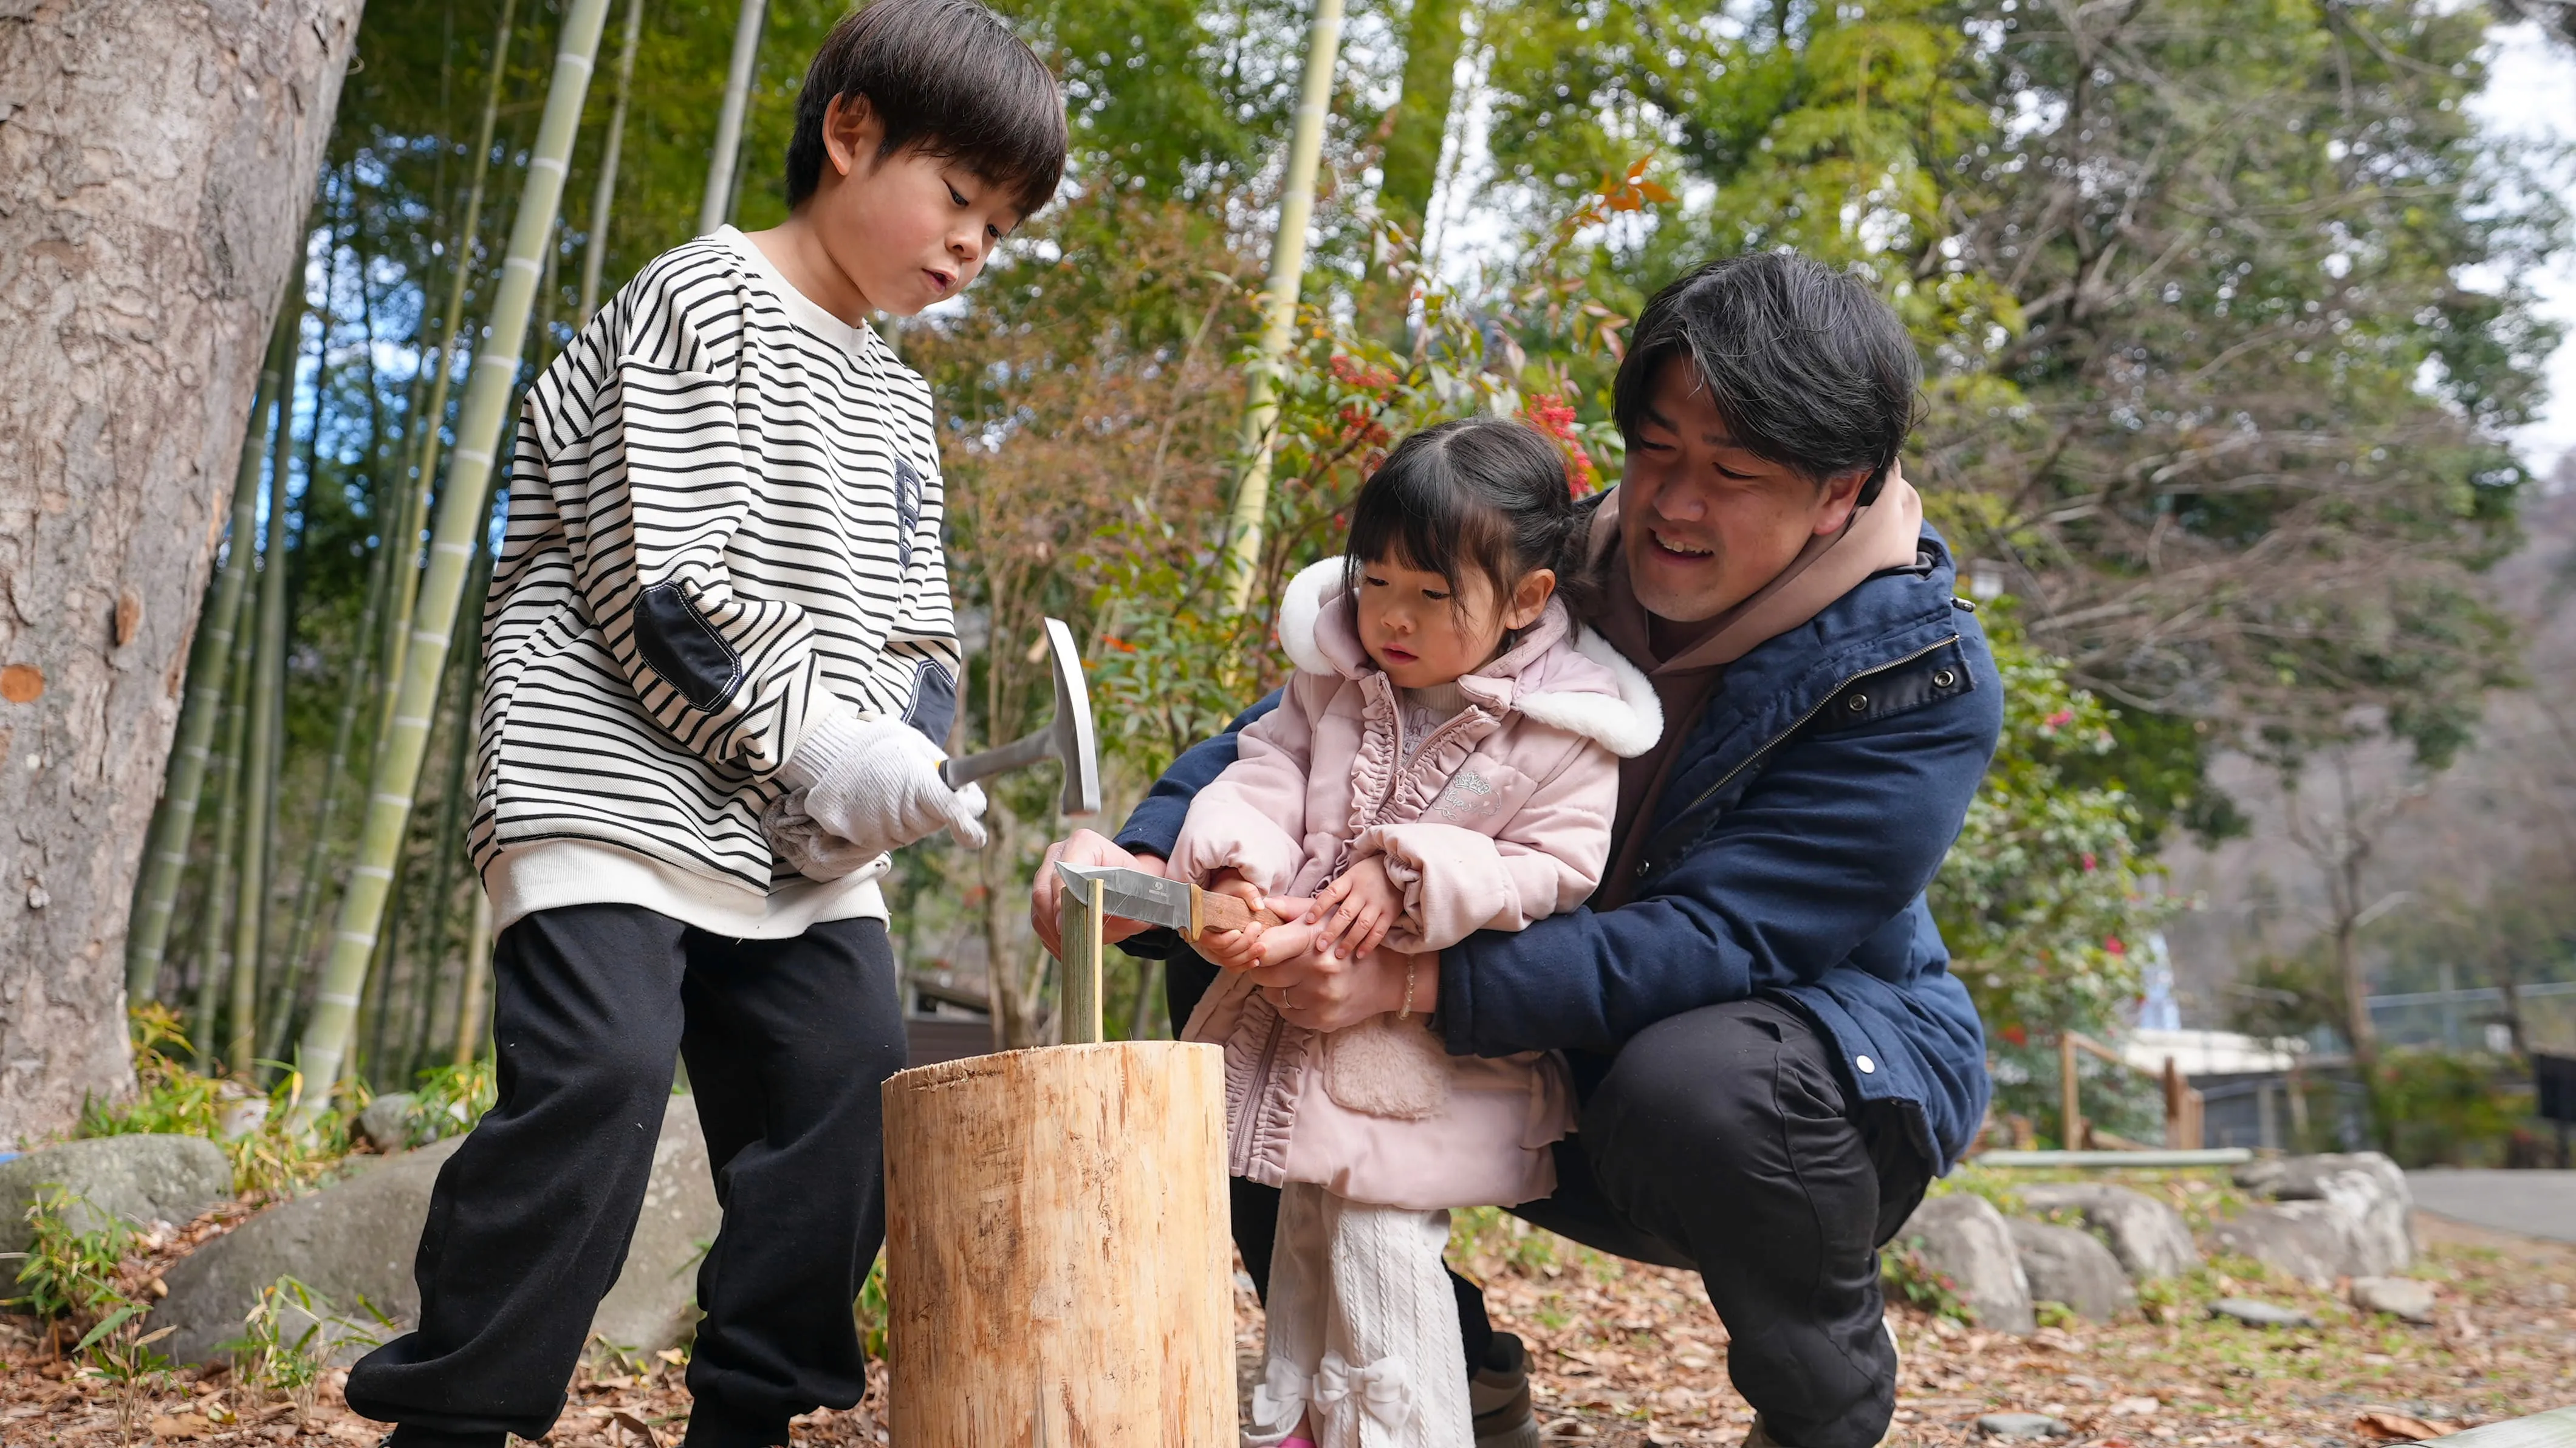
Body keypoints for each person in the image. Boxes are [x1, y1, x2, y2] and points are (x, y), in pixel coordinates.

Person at [1036, 251, 2002, 1448]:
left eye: (1729, 472)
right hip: (1547, 1031)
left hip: (1779, 1076)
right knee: (1246, 946)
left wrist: (1415, 976)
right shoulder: (1546, 567)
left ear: (1837, 490)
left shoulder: (1911, 679)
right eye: (1655, 452)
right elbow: (1295, 728)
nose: (1670, 505)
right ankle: (1440, 1365)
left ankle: (1823, 1403)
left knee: (1701, 1082)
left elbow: (1726, 938)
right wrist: (1142, 860)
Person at [346, 6, 1066, 1447]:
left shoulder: (900, 403)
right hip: (606, 787)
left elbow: (921, 630)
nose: (972, 243)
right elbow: (663, 590)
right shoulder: (700, 298)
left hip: (795, 839)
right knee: (602, 1077)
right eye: (958, 196)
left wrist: (908, 759)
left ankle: (752, 1416)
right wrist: (826, 749)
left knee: (851, 1087)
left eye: (998, 224)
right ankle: (456, 1418)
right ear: (849, 133)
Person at [1163, 418, 1659, 1448]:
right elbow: (1265, 769)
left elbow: (1560, 869)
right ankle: (1295, 1418)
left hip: (1427, 1046)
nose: (1393, 617)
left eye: (1434, 596)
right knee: (1306, 1227)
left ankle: (1416, 1430)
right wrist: (1235, 870)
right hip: (1305, 1026)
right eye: (1376, 581)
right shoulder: (1336, 677)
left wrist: (1416, 873)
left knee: (1381, 1244)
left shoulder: (1568, 727)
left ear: (1527, 598)